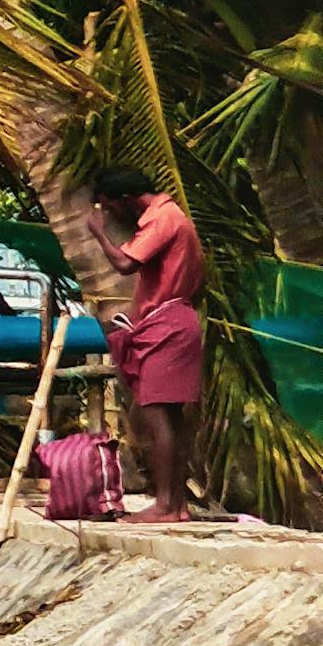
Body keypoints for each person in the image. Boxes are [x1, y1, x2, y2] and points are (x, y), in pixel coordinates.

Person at [114, 192, 212, 524]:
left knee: (157, 415)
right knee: (172, 418)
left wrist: (99, 231)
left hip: (165, 325)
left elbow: (126, 263)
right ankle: (177, 504)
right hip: (179, 317)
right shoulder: (179, 220)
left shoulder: (162, 219)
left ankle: (165, 504)